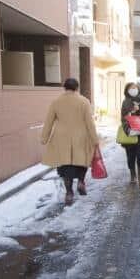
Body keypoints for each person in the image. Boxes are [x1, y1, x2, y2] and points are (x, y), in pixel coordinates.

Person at [41, 78, 99, 206]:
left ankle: (69, 193)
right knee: (82, 162)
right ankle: (81, 182)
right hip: (81, 137)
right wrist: (95, 139)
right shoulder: (84, 101)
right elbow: (90, 123)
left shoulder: (56, 102)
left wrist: (44, 138)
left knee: (65, 166)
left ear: (64, 87)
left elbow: (48, 122)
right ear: (77, 88)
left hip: (61, 138)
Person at [121, 82, 140, 186]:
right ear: (127, 90)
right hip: (130, 134)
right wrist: (131, 112)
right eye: (131, 88)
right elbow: (123, 118)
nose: (133, 89)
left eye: (134, 88)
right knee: (130, 157)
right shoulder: (125, 102)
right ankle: (132, 175)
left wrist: (139, 111)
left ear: (138, 89)